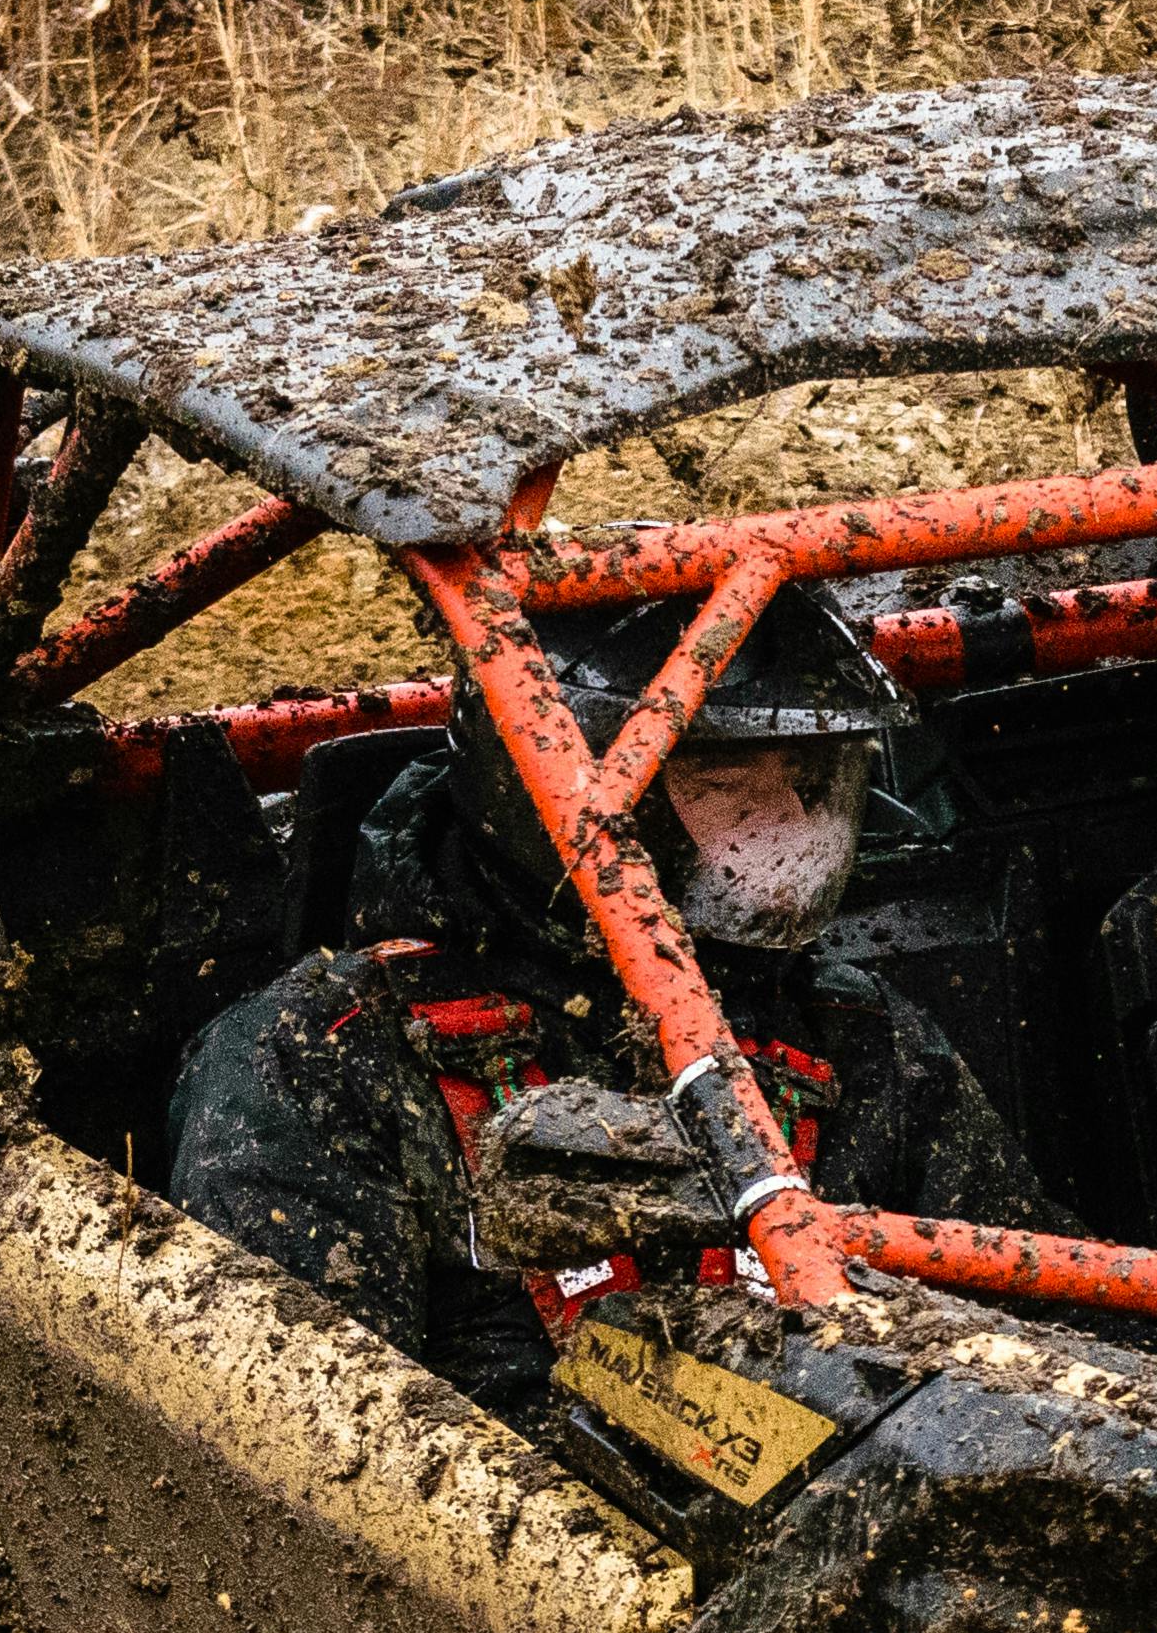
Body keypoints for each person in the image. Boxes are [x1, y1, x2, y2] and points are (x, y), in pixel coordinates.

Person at [169, 594, 1036, 1425]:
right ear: (548, 793)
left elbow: (1054, 1342)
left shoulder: (857, 1031)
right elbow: (303, 1458)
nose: (784, 829)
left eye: (809, 780)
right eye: (730, 781)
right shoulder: (323, 1053)